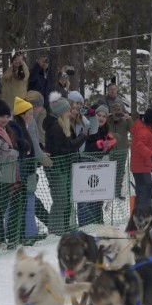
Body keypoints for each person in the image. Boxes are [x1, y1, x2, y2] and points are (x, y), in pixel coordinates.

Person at [43, 96, 85, 235]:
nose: (70, 113)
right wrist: (82, 137)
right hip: (57, 167)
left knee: (66, 199)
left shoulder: (63, 124)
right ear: (61, 112)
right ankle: (55, 230)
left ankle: (65, 227)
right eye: (67, 110)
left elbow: (67, 145)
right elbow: (64, 147)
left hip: (64, 166)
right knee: (60, 199)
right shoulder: (55, 127)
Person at [9, 97, 41, 244]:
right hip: (19, 170)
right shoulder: (16, 127)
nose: (31, 117)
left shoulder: (24, 127)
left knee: (25, 203)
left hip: (26, 169)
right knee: (18, 204)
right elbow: (20, 146)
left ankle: (26, 233)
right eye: (30, 114)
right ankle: (20, 234)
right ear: (22, 114)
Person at [79, 104, 117, 225]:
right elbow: (85, 147)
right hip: (85, 164)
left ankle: (98, 221)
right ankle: (85, 223)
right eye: (99, 115)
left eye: (104, 116)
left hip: (99, 165)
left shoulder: (106, 129)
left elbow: (104, 150)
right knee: (86, 194)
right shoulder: (89, 126)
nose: (101, 118)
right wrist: (99, 145)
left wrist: (109, 145)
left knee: (98, 194)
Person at [0, 99, 19, 246]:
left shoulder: (8, 130)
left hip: (9, 174)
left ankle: (0, 238)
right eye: (1, 116)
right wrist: (15, 153)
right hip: (0, 174)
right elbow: (0, 152)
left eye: (7, 116)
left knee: (2, 207)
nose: (5, 120)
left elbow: (9, 148)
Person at [131, 108, 152, 208]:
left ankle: (145, 210)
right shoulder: (143, 131)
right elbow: (139, 145)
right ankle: (143, 211)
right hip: (141, 166)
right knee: (146, 190)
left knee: (147, 190)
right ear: (151, 121)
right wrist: (150, 154)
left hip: (142, 166)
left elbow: (151, 140)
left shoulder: (146, 129)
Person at [108, 101, 133, 199]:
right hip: (109, 150)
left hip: (122, 150)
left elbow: (133, 131)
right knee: (109, 171)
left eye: (118, 110)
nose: (116, 112)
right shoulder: (108, 119)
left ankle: (117, 192)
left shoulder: (125, 120)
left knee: (120, 172)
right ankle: (108, 191)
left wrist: (129, 119)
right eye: (114, 110)